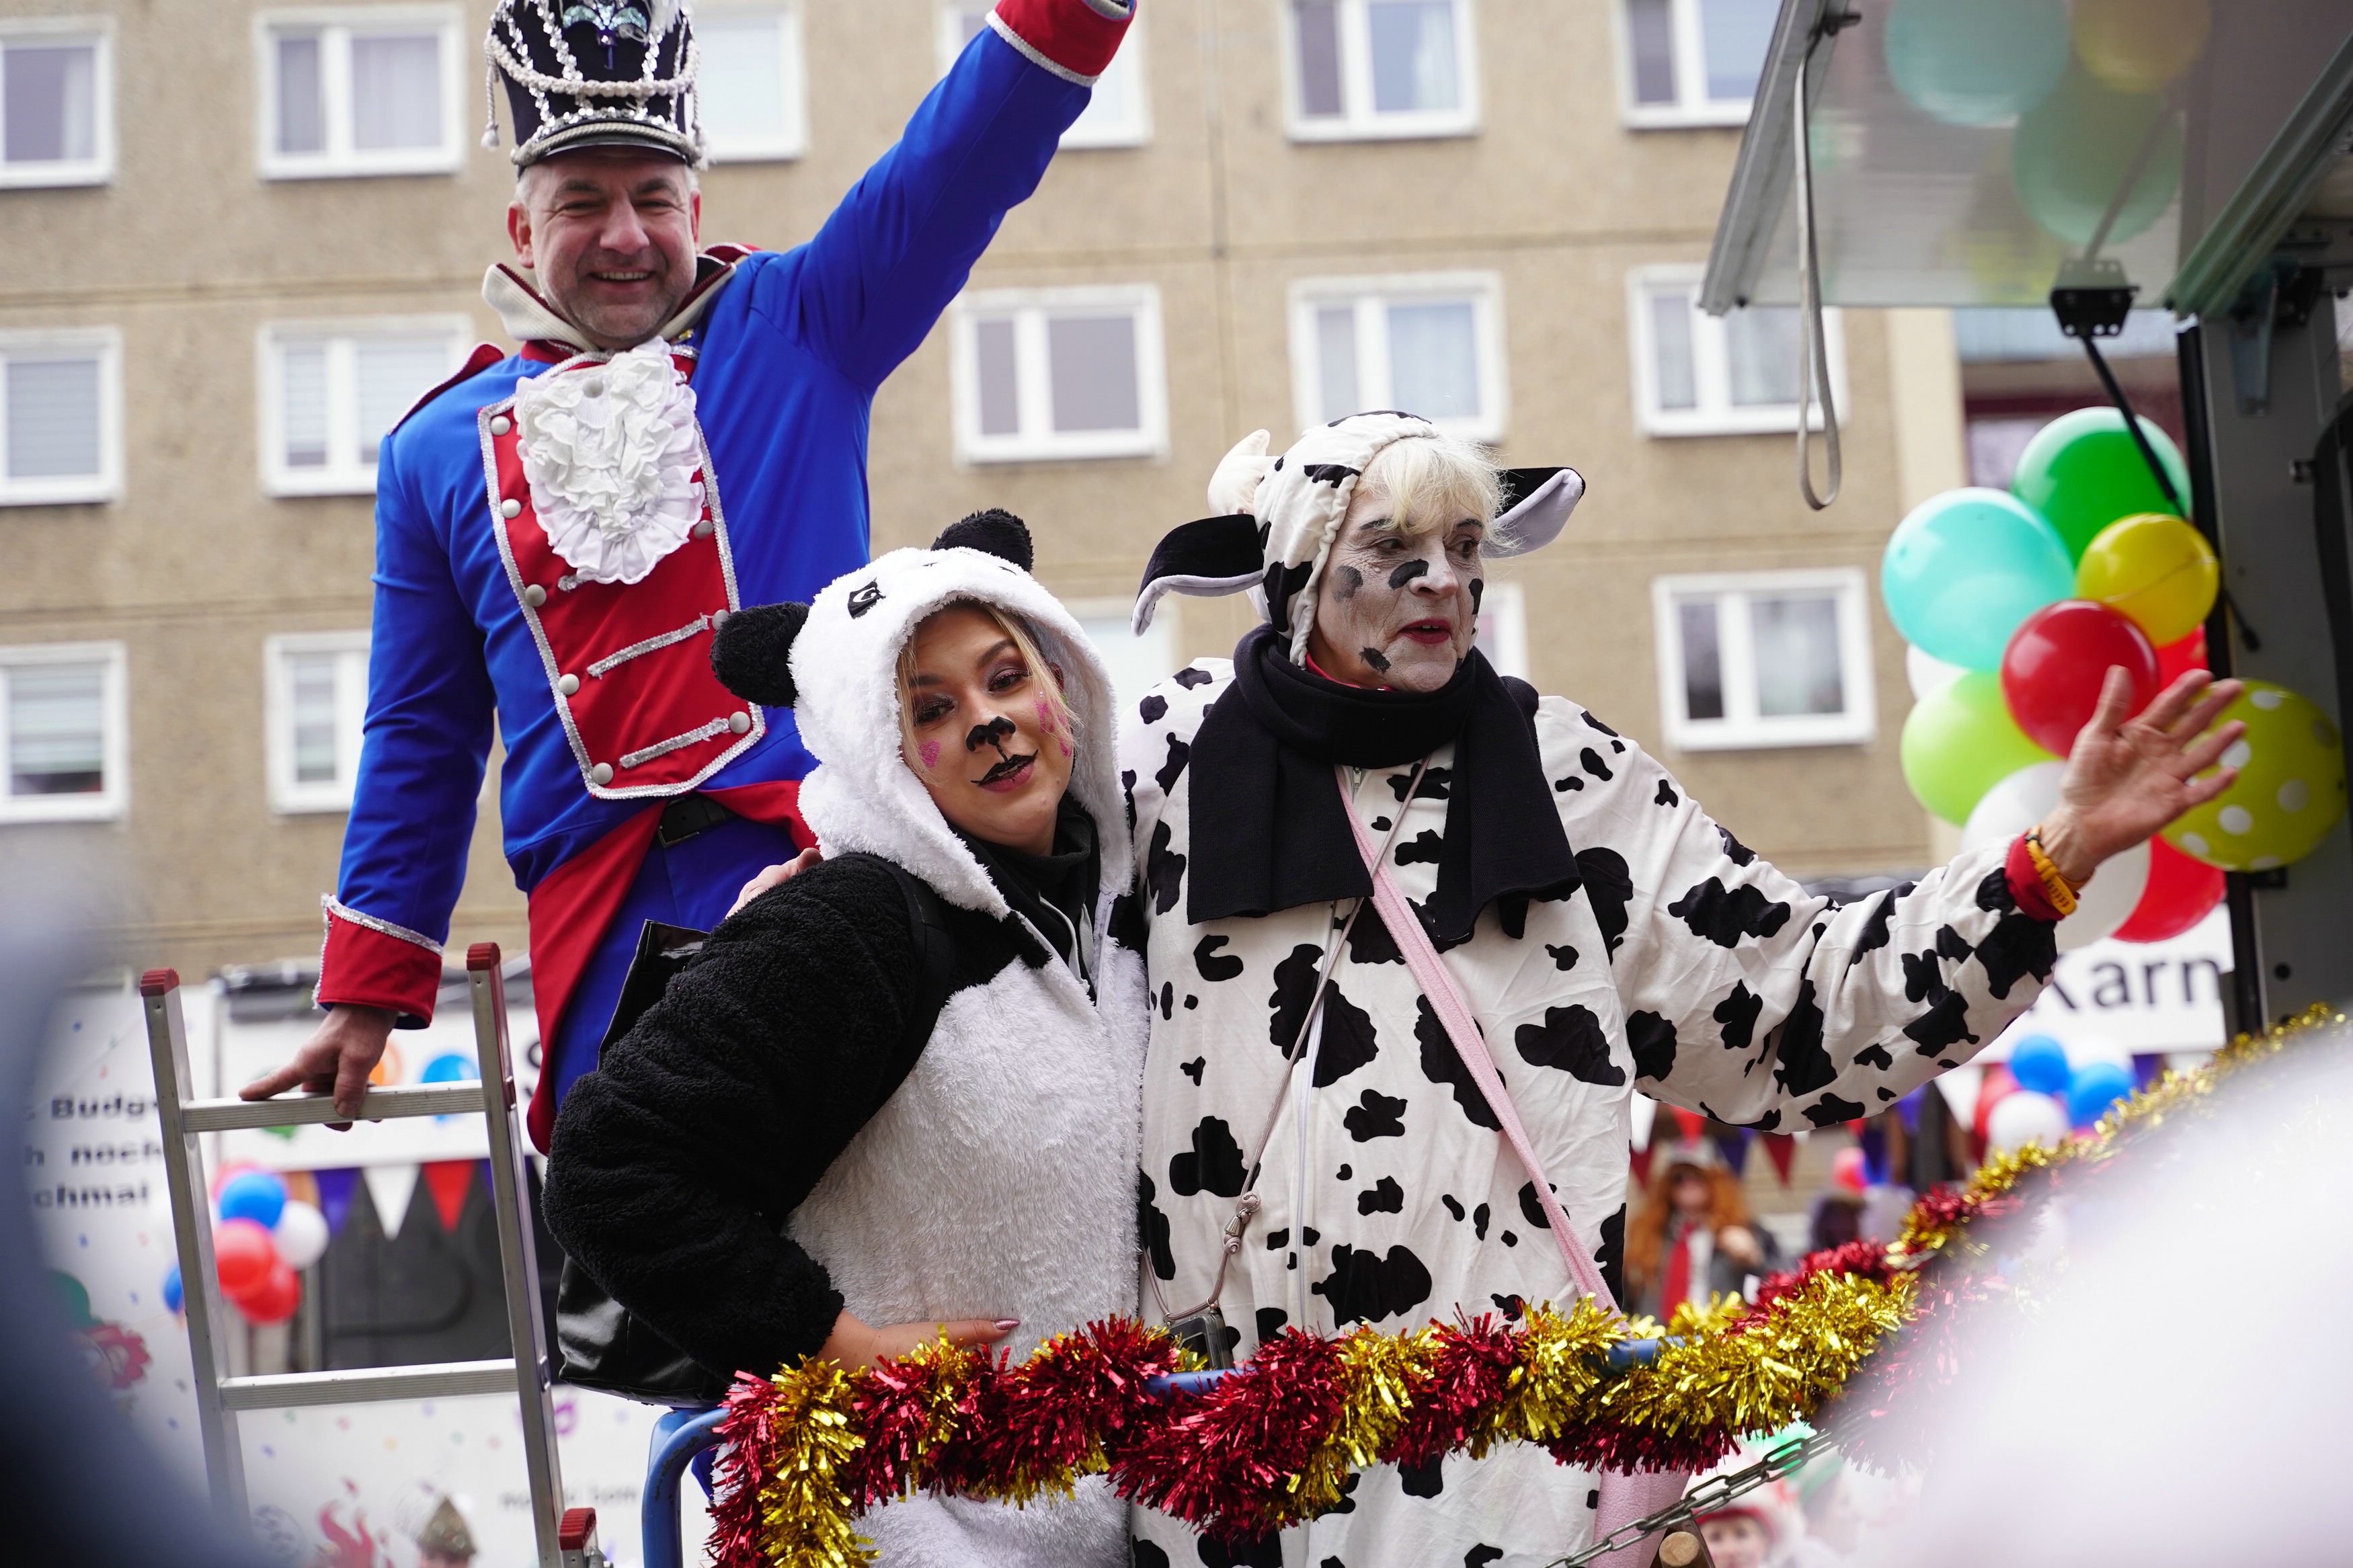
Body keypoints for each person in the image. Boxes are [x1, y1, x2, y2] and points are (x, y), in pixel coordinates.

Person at [1117, 412, 2245, 1566]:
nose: (1444, 579)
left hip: (1500, 1491)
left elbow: (1798, 1006)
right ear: (1301, 569)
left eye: (1465, 544)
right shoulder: (1164, 760)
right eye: (1395, 546)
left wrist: (2049, 860)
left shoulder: (1566, 776)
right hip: (1223, 1482)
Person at [239, 0, 1140, 1153]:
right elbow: (420, 731)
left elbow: (950, 171)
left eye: (654, 198)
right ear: (521, 225)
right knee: (643, 1233)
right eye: (582, 202)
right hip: (604, 934)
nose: (625, 234)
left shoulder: (799, 327)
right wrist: (369, 989)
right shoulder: (433, 453)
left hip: (828, 873)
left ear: (695, 211)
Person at [544, 512, 1146, 1566]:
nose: (989, 722)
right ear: (879, 755)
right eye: (930, 709)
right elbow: (610, 1166)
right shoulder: (850, 924)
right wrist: (835, 1344)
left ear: (1064, 683)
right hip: (908, 1528)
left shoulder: (1109, 905)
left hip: (1085, 1515)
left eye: (1007, 678)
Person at [1624, 1142, 1780, 1319]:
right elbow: (1624, 1296)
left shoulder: (1744, 1230)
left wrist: (1754, 1258)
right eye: (1679, 1178)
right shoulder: (1649, 1234)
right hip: (1658, 1333)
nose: (1688, 1183)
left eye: (1698, 1176)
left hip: (1718, 1331)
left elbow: (1781, 1283)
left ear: (1716, 1182)